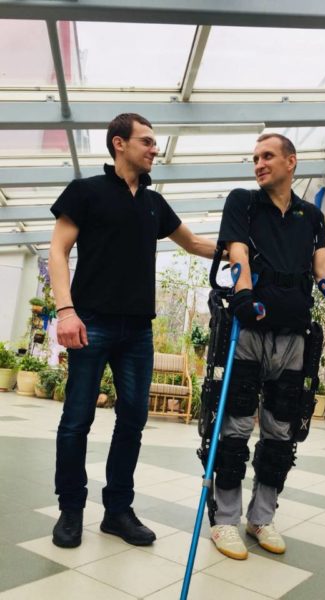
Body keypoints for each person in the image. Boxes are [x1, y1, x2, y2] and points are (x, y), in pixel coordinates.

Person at [48, 113, 218, 549]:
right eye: (146, 141)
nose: (154, 149)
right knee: (76, 421)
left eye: (154, 142)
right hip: (91, 323)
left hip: (138, 330)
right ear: (119, 143)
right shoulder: (86, 191)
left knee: (133, 421)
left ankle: (117, 511)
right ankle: (71, 509)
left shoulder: (153, 203)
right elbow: (58, 251)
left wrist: (242, 251)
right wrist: (66, 312)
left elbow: (194, 243)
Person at [211, 133, 325, 560]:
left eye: (267, 156)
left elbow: (322, 263)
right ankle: (225, 519)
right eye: (255, 158)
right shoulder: (243, 202)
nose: (259, 164)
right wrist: (243, 296)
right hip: (250, 330)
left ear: (291, 162)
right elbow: (237, 251)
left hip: (295, 335)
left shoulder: (311, 215)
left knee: (281, 433)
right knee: (235, 428)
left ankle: (261, 517)